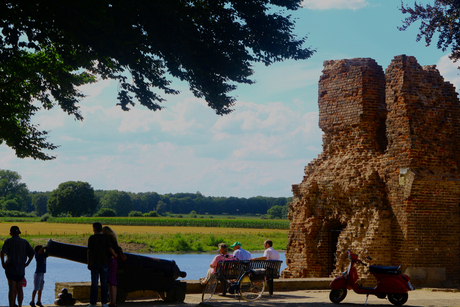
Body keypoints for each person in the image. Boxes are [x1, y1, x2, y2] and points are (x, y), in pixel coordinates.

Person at [1, 226, 35, 307]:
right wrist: (27, 264)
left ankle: (11, 305)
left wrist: (2, 262)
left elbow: (2, 252)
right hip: (20, 269)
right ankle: (20, 305)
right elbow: (32, 253)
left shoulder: (8, 241)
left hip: (10, 268)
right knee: (20, 289)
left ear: (10, 233)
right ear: (19, 233)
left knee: (12, 288)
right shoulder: (24, 242)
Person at [87, 222, 116, 307]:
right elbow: (109, 248)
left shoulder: (91, 238)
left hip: (94, 263)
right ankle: (104, 303)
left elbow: (89, 252)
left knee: (94, 283)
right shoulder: (106, 238)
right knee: (104, 283)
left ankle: (93, 303)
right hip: (104, 263)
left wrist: (88, 263)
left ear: (95, 229)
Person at [102, 226, 120, 307]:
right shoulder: (114, 239)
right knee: (113, 283)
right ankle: (113, 301)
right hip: (114, 261)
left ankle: (112, 302)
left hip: (110, 261)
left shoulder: (108, 239)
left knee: (111, 283)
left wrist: (113, 254)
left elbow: (110, 249)